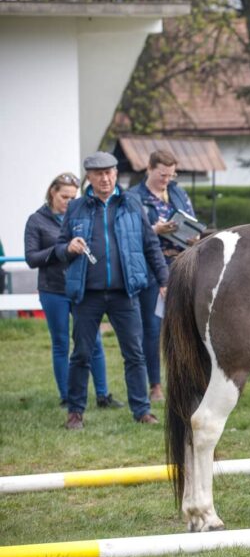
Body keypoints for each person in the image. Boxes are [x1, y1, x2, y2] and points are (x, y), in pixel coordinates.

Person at [55, 151, 168, 430]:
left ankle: (142, 410)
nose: (105, 179)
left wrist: (164, 280)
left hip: (125, 293)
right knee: (80, 354)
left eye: (109, 173)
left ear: (116, 174)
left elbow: (150, 244)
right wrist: (68, 248)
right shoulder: (76, 207)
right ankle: (75, 412)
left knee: (135, 354)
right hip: (87, 294)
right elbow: (59, 247)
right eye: (98, 174)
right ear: (89, 177)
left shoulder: (132, 204)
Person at [25, 173, 115, 409]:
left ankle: (103, 395)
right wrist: (61, 249)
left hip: (81, 288)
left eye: (73, 196)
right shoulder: (36, 220)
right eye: (64, 196)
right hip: (53, 290)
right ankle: (67, 396)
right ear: (52, 192)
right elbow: (31, 258)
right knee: (61, 342)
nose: (69, 201)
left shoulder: (81, 214)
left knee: (93, 341)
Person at [130, 149, 196, 403]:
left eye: (170, 175)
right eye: (162, 174)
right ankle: (155, 385)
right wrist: (154, 230)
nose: (166, 179)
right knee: (153, 328)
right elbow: (130, 232)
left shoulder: (178, 192)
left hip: (181, 263)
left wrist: (193, 234)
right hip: (151, 268)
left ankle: (185, 380)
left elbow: (191, 218)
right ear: (149, 169)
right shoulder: (134, 198)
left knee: (184, 326)